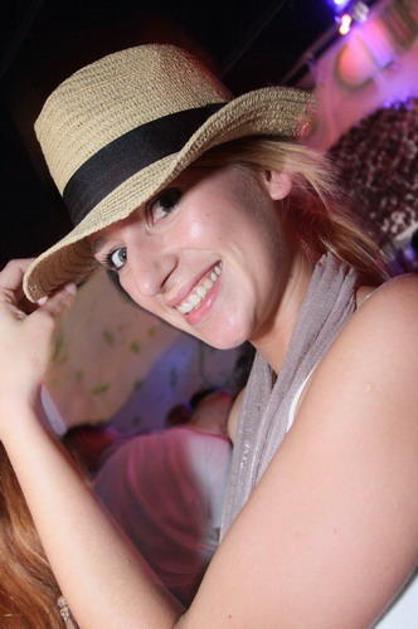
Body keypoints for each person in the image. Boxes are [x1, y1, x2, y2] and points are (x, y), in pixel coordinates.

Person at [0, 43, 417, 628]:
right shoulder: (251, 419)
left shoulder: (398, 334)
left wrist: (15, 417)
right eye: (117, 256)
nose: (148, 277)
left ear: (269, 171)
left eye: (164, 203)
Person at [95, 388, 233, 605]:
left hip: (124, 594)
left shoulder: (124, 452)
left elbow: (98, 523)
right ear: (227, 422)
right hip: (189, 600)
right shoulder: (218, 452)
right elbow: (232, 536)